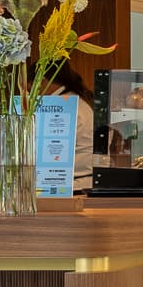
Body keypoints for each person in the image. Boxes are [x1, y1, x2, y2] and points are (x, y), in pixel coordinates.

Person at [53, 63, 100, 191]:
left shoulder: (61, 105)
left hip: (73, 185)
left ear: (43, 81)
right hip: (89, 181)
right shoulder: (83, 99)